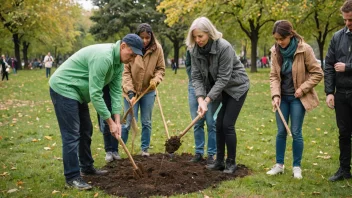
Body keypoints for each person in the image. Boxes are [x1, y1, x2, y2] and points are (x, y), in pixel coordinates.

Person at [49, 34, 143, 190]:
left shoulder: (119, 63)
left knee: (86, 130)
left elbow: (114, 93)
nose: (132, 58)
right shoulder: (104, 58)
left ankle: (86, 167)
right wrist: (110, 123)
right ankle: (72, 177)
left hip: (78, 92)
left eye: (134, 56)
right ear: (123, 46)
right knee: (72, 134)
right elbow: (96, 94)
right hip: (64, 87)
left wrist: (118, 121)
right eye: (131, 54)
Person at [186, 17, 250, 174]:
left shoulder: (224, 47)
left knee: (227, 124)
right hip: (221, 89)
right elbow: (196, 77)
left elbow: (223, 78)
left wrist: (207, 100)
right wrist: (201, 99)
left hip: (237, 87)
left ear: (209, 33)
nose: (197, 40)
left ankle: (231, 163)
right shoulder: (194, 50)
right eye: (195, 36)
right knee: (219, 123)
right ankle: (219, 162)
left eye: (200, 36)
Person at [267, 20, 323, 179]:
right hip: (282, 98)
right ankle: (279, 165)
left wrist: (302, 88)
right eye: (276, 39)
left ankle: (296, 167)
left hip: (298, 98)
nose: (279, 42)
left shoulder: (304, 49)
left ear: (290, 35)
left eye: (281, 39)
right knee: (281, 131)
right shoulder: (275, 51)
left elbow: (317, 73)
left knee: (296, 132)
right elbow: (273, 76)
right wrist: (275, 95)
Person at [121, 23, 165, 157]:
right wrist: (130, 92)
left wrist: (156, 80)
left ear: (151, 36)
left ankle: (144, 149)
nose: (145, 40)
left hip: (148, 91)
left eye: (147, 37)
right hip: (131, 92)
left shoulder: (157, 49)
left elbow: (161, 69)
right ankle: (122, 151)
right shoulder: (132, 48)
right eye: (142, 37)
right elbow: (126, 72)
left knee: (146, 122)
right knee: (128, 122)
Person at [325, 0, 352, 182]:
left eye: (351, 20)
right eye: (345, 20)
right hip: (341, 93)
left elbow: (343, 66)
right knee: (344, 133)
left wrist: (348, 67)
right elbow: (328, 64)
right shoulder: (337, 37)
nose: (348, 24)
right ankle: (344, 169)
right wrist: (329, 92)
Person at [185, 48, 218, 165]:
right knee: (197, 122)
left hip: (211, 87)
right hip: (194, 85)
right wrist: (193, 78)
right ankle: (198, 152)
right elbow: (188, 64)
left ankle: (211, 154)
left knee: (211, 122)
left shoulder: (214, 47)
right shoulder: (190, 48)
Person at [97, 86, 121, 163]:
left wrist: (117, 122)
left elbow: (117, 93)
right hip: (103, 93)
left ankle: (115, 150)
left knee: (115, 123)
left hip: (113, 92)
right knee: (106, 123)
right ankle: (109, 151)